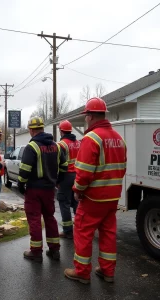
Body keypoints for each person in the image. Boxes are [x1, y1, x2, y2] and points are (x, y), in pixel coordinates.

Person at [64, 98, 127, 284]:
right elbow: (122, 168)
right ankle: (108, 271)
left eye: (86, 116)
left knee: (83, 232)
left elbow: (83, 173)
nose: (85, 120)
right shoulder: (119, 138)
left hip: (93, 198)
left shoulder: (91, 139)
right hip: (113, 197)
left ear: (90, 116)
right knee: (108, 232)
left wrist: (77, 190)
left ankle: (82, 272)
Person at [18, 116, 68, 262]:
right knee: (50, 218)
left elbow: (25, 169)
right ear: (42, 128)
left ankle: (36, 252)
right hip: (49, 189)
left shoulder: (32, 146)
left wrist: (21, 184)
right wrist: (59, 180)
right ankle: (54, 250)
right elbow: (64, 166)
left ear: (31, 130)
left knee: (34, 219)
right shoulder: (57, 146)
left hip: (34, 189)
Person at [57, 120, 80, 239]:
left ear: (61, 131)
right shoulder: (78, 143)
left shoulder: (61, 144)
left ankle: (67, 230)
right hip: (77, 175)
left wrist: (57, 181)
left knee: (63, 201)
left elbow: (58, 164)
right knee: (75, 201)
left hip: (66, 176)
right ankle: (79, 228)